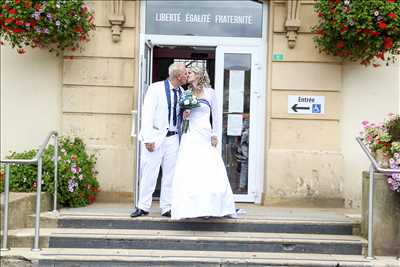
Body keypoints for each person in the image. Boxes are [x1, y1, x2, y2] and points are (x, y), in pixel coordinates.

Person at [171, 65, 236, 220]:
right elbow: (182, 117)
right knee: (190, 169)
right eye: (186, 73)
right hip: (190, 134)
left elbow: (216, 116)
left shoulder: (210, 93)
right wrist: (185, 114)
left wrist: (215, 134)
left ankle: (211, 207)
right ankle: (190, 208)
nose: (187, 75)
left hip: (205, 134)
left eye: (190, 73)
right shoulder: (186, 93)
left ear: (199, 74)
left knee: (209, 169)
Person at [130, 62, 188, 218]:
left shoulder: (182, 92)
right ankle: (142, 206)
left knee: (170, 174)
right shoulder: (155, 88)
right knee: (149, 173)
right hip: (155, 138)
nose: (186, 76)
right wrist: (148, 138)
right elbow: (147, 114)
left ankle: (166, 207)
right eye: (185, 73)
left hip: (173, 138)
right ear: (177, 76)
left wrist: (184, 115)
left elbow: (178, 115)